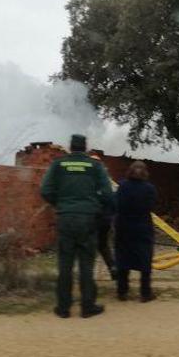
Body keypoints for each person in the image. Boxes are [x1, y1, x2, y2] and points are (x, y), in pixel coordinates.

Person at [40, 134, 114, 319]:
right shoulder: (95, 166)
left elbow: (45, 190)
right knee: (86, 264)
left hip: (65, 218)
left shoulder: (58, 165)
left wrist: (60, 204)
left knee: (65, 264)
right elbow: (107, 193)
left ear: (70, 147)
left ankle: (63, 308)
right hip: (88, 219)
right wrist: (96, 207)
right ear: (85, 147)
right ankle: (87, 307)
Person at [114, 161, 158, 302]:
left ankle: (122, 292)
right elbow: (152, 205)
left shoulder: (122, 186)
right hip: (143, 227)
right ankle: (145, 293)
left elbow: (117, 204)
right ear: (145, 173)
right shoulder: (149, 189)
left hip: (124, 227)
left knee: (123, 260)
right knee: (145, 260)